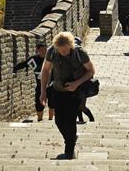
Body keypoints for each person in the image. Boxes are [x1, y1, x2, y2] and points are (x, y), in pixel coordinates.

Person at [39, 32, 95, 160]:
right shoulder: (52, 52)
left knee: (70, 121)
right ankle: (71, 139)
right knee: (59, 121)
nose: (63, 53)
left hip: (75, 92)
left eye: (65, 50)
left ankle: (69, 152)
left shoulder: (79, 53)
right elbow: (46, 70)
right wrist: (43, 92)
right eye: (60, 50)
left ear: (70, 45)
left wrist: (76, 83)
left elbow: (91, 71)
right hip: (58, 90)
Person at [15, 42, 50, 122]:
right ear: (37, 50)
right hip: (40, 85)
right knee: (38, 103)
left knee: (52, 102)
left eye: (45, 50)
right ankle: (40, 119)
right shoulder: (34, 59)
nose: (44, 52)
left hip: (51, 84)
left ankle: (51, 118)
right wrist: (13, 69)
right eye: (41, 50)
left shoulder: (50, 59)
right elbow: (24, 64)